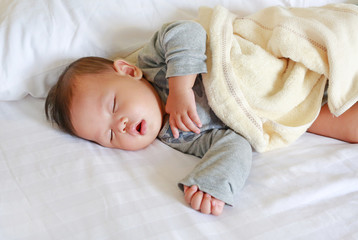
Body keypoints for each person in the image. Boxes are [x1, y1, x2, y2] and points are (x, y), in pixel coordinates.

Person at [45, 20, 358, 216]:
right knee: (342, 124)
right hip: (272, 107)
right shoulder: (177, 135)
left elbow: (187, 31)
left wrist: (180, 86)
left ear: (128, 72)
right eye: (110, 136)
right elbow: (233, 142)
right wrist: (213, 181)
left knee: (335, 53)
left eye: (113, 106)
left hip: (262, 64)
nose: (121, 125)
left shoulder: (155, 63)